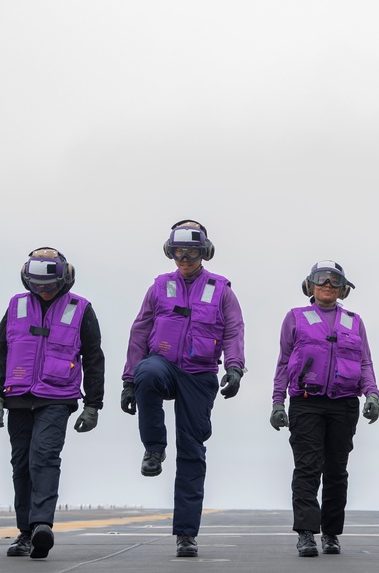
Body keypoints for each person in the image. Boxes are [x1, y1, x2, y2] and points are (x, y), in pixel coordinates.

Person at [120, 220, 245, 558]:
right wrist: (129, 380)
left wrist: (234, 367)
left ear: (204, 253)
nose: (185, 258)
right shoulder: (159, 287)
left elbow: (234, 331)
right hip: (164, 365)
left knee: (192, 452)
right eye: (178, 251)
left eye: (192, 252)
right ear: (170, 252)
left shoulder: (221, 290)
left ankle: (186, 535)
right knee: (147, 373)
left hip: (200, 373)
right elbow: (139, 331)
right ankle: (154, 449)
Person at [0, 248, 105, 559]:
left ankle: (40, 527)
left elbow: (93, 359)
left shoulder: (81, 309)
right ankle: (24, 533)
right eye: (37, 285)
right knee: (21, 462)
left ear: (65, 279)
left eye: (49, 286)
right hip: (18, 396)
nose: (44, 291)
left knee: (44, 456)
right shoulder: (16, 306)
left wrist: (93, 405)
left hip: (57, 397)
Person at [270, 261, 379, 557]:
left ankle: (331, 534)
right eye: (322, 279)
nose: (328, 285)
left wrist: (372, 394)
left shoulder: (354, 321)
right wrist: (277, 401)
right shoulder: (295, 318)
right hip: (306, 401)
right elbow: (283, 362)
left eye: (335, 281)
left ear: (343, 288)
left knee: (336, 470)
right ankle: (306, 533)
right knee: (307, 467)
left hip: (344, 404)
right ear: (310, 285)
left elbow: (365, 362)